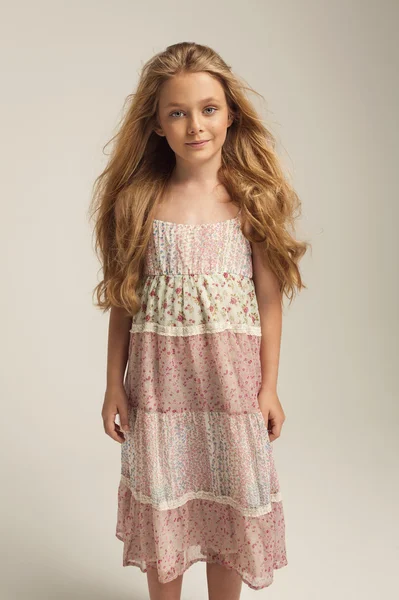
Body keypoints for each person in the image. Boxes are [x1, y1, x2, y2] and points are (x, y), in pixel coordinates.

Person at [89, 41, 310, 600]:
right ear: (158, 125)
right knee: (167, 508)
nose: (195, 125)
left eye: (208, 108)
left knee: (227, 510)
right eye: (178, 112)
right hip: (160, 397)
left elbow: (269, 299)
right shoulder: (138, 202)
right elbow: (124, 299)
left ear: (230, 112)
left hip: (229, 393)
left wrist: (269, 386)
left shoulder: (252, 200)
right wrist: (113, 384)